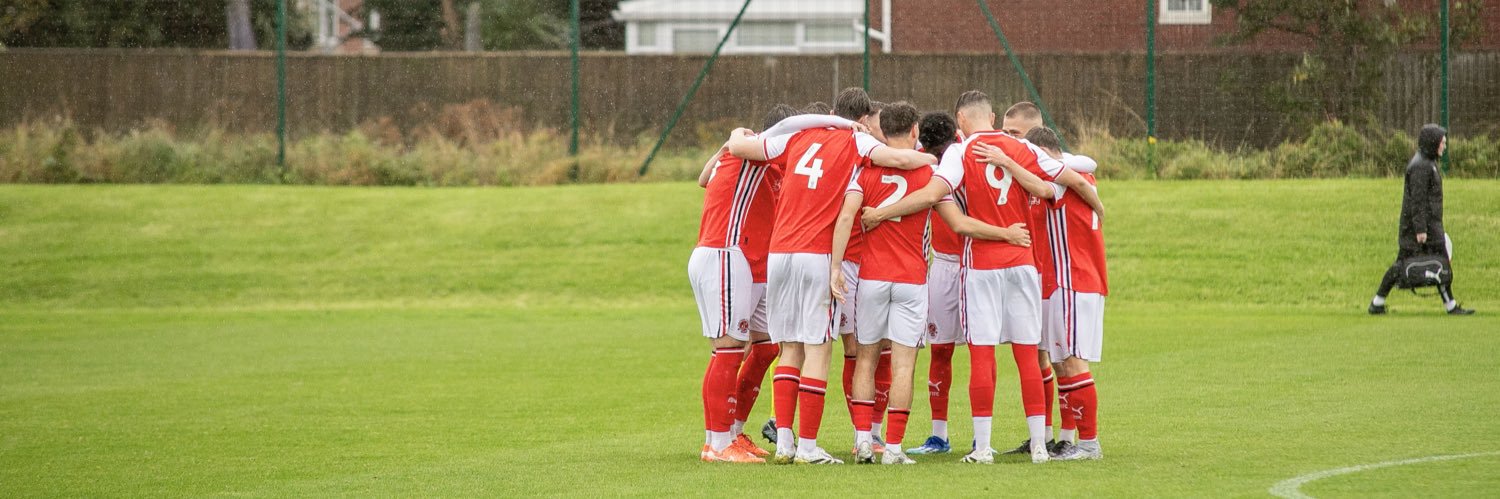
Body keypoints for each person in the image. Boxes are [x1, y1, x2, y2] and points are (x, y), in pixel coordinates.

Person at [862, 90, 1100, 464]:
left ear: (961, 119)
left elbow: (933, 194)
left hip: (983, 264)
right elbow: (1054, 184)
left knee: (982, 354)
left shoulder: (961, 151)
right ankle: (1040, 445)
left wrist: (882, 212)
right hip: (1023, 262)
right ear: (992, 116)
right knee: (1025, 354)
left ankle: (983, 447)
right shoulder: (1020, 147)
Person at [726, 87, 937, 465]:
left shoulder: (796, 136)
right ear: (860, 120)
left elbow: (741, 148)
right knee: (819, 348)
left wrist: (736, 134)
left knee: (789, 347)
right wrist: (935, 161)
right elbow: (899, 160)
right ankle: (809, 447)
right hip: (818, 255)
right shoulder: (856, 141)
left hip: (781, 253)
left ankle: (787, 443)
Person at [985, 127, 1108, 460]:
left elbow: (1041, 185)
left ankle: (1089, 443)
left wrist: (1008, 161)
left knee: (1072, 361)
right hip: (1069, 283)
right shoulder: (1077, 172)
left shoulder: (1065, 180)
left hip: (1074, 281)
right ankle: (1073, 441)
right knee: (1062, 362)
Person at [687, 104, 800, 463]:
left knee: (766, 347)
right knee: (728, 348)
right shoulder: (756, 151)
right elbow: (722, 161)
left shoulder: (771, 160)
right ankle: (717, 443)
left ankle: (733, 432)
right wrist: (733, 138)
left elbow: (705, 177)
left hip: (752, 262)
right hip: (725, 253)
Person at [905, 112, 966, 456]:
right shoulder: (922, 164)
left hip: (974, 263)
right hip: (943, 263)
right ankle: (939, 435)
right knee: (941, 350)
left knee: (980, 350)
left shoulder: (972, 156)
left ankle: (976, 436)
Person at [1369, 124, 1473, 315]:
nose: (1444, 146)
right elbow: (1417, 201)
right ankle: (1377, 302)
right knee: (1403, 264)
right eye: (1442, 143)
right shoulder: (1421, 167)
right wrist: (1420, 230)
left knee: (1439, 259)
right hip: (1420, 227)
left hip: (1429, 224)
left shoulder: (1428, 163)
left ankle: (1449, 305)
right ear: (1432, 143)